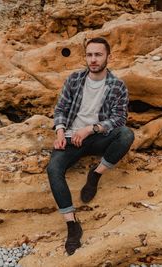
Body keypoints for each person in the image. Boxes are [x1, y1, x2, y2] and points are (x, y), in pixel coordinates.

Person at [46, 37, 134, 255]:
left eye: (98, 55)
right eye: (89, 55)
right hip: (69, 138)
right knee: (53, 169)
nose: (93, 60)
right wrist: (59, 132)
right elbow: (61, 109)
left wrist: (90, 129)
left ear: (108, 57)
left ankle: (95, 175)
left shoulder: (117, 85)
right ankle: (72, 225)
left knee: (126, 135)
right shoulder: (75, 79)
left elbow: (119, 118)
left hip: (96, 137)